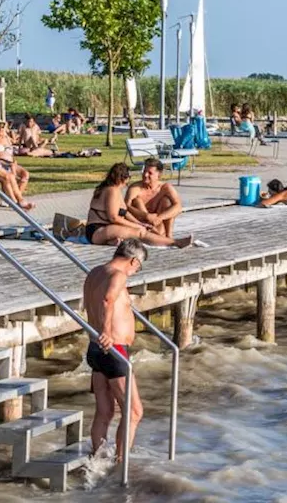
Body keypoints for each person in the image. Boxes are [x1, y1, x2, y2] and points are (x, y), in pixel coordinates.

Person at [83, 238, 146, 460]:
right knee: (134, 411)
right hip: (113, 349)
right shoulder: (118, 275)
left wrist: (100, 333)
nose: (134, 272)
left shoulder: (95, 272)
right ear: (133, 260)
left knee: (105, 411)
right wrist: (107, 331)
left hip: (96, 348)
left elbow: (92, 303)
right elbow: (107, 300)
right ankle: (121, 465)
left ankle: (97, 460)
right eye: (138, 267)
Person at [86, 163, 193, 247]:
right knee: (140, 233)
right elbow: (113, 217)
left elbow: (124, 212)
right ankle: (175, 243)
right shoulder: (112, 190)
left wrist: (140, 223)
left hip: (104, 228)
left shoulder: (113, 189)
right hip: (97, 230)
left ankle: (111, 241)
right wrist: (137, 226)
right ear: (123, 178)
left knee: (141, 229)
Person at [126, 158, 183, 239]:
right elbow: (125, 206)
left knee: (166, 201)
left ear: (159, 175)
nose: (145, 175)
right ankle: (155, 235)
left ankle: (169, 236)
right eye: (144, 171)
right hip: (141, 225)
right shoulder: (135, 188)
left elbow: (178, 207)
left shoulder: (165, 188)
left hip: (158, 225)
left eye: (150, 173)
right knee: (137, 200)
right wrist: (146, 216)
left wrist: (160, 218)